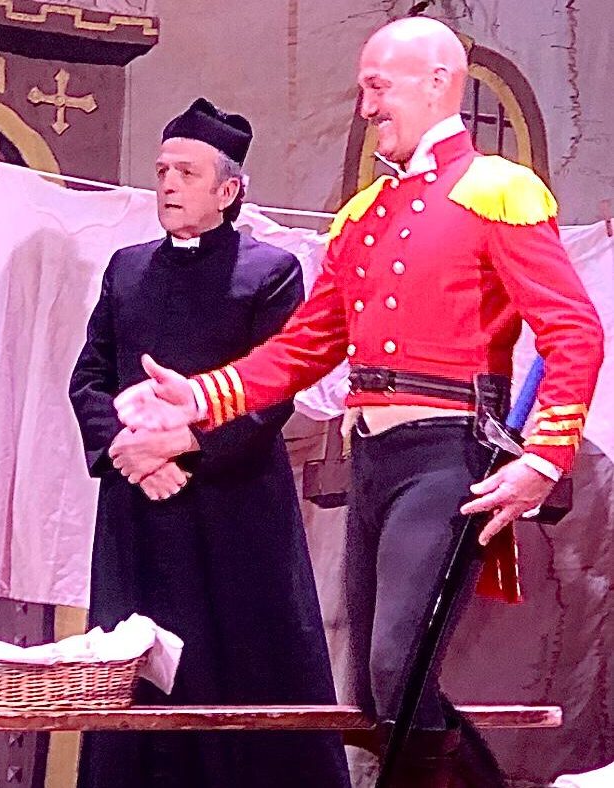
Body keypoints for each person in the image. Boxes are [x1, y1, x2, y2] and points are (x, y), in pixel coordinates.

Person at [115, 17, 605, 786]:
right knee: (379, 695)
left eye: (378, 87)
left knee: (397, 666)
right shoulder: (364, 215)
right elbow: (305, 347)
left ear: (437, 83)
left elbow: (574, 331)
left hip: (449, 455)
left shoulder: (498, 192)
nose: (368, 106)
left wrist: (544, 458)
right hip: (373, 458)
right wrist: (201, 397)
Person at [69, 97, 350, 788]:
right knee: (137, 675)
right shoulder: (126, 268)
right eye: (162, 170)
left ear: (228, 192)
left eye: (186, 173)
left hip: (234, 508)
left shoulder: (269, 271)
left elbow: (274, 390)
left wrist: (184, 446)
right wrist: (130, 454)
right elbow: (90, 378)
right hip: (139, 510)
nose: (168, 184)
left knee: (242, 672)